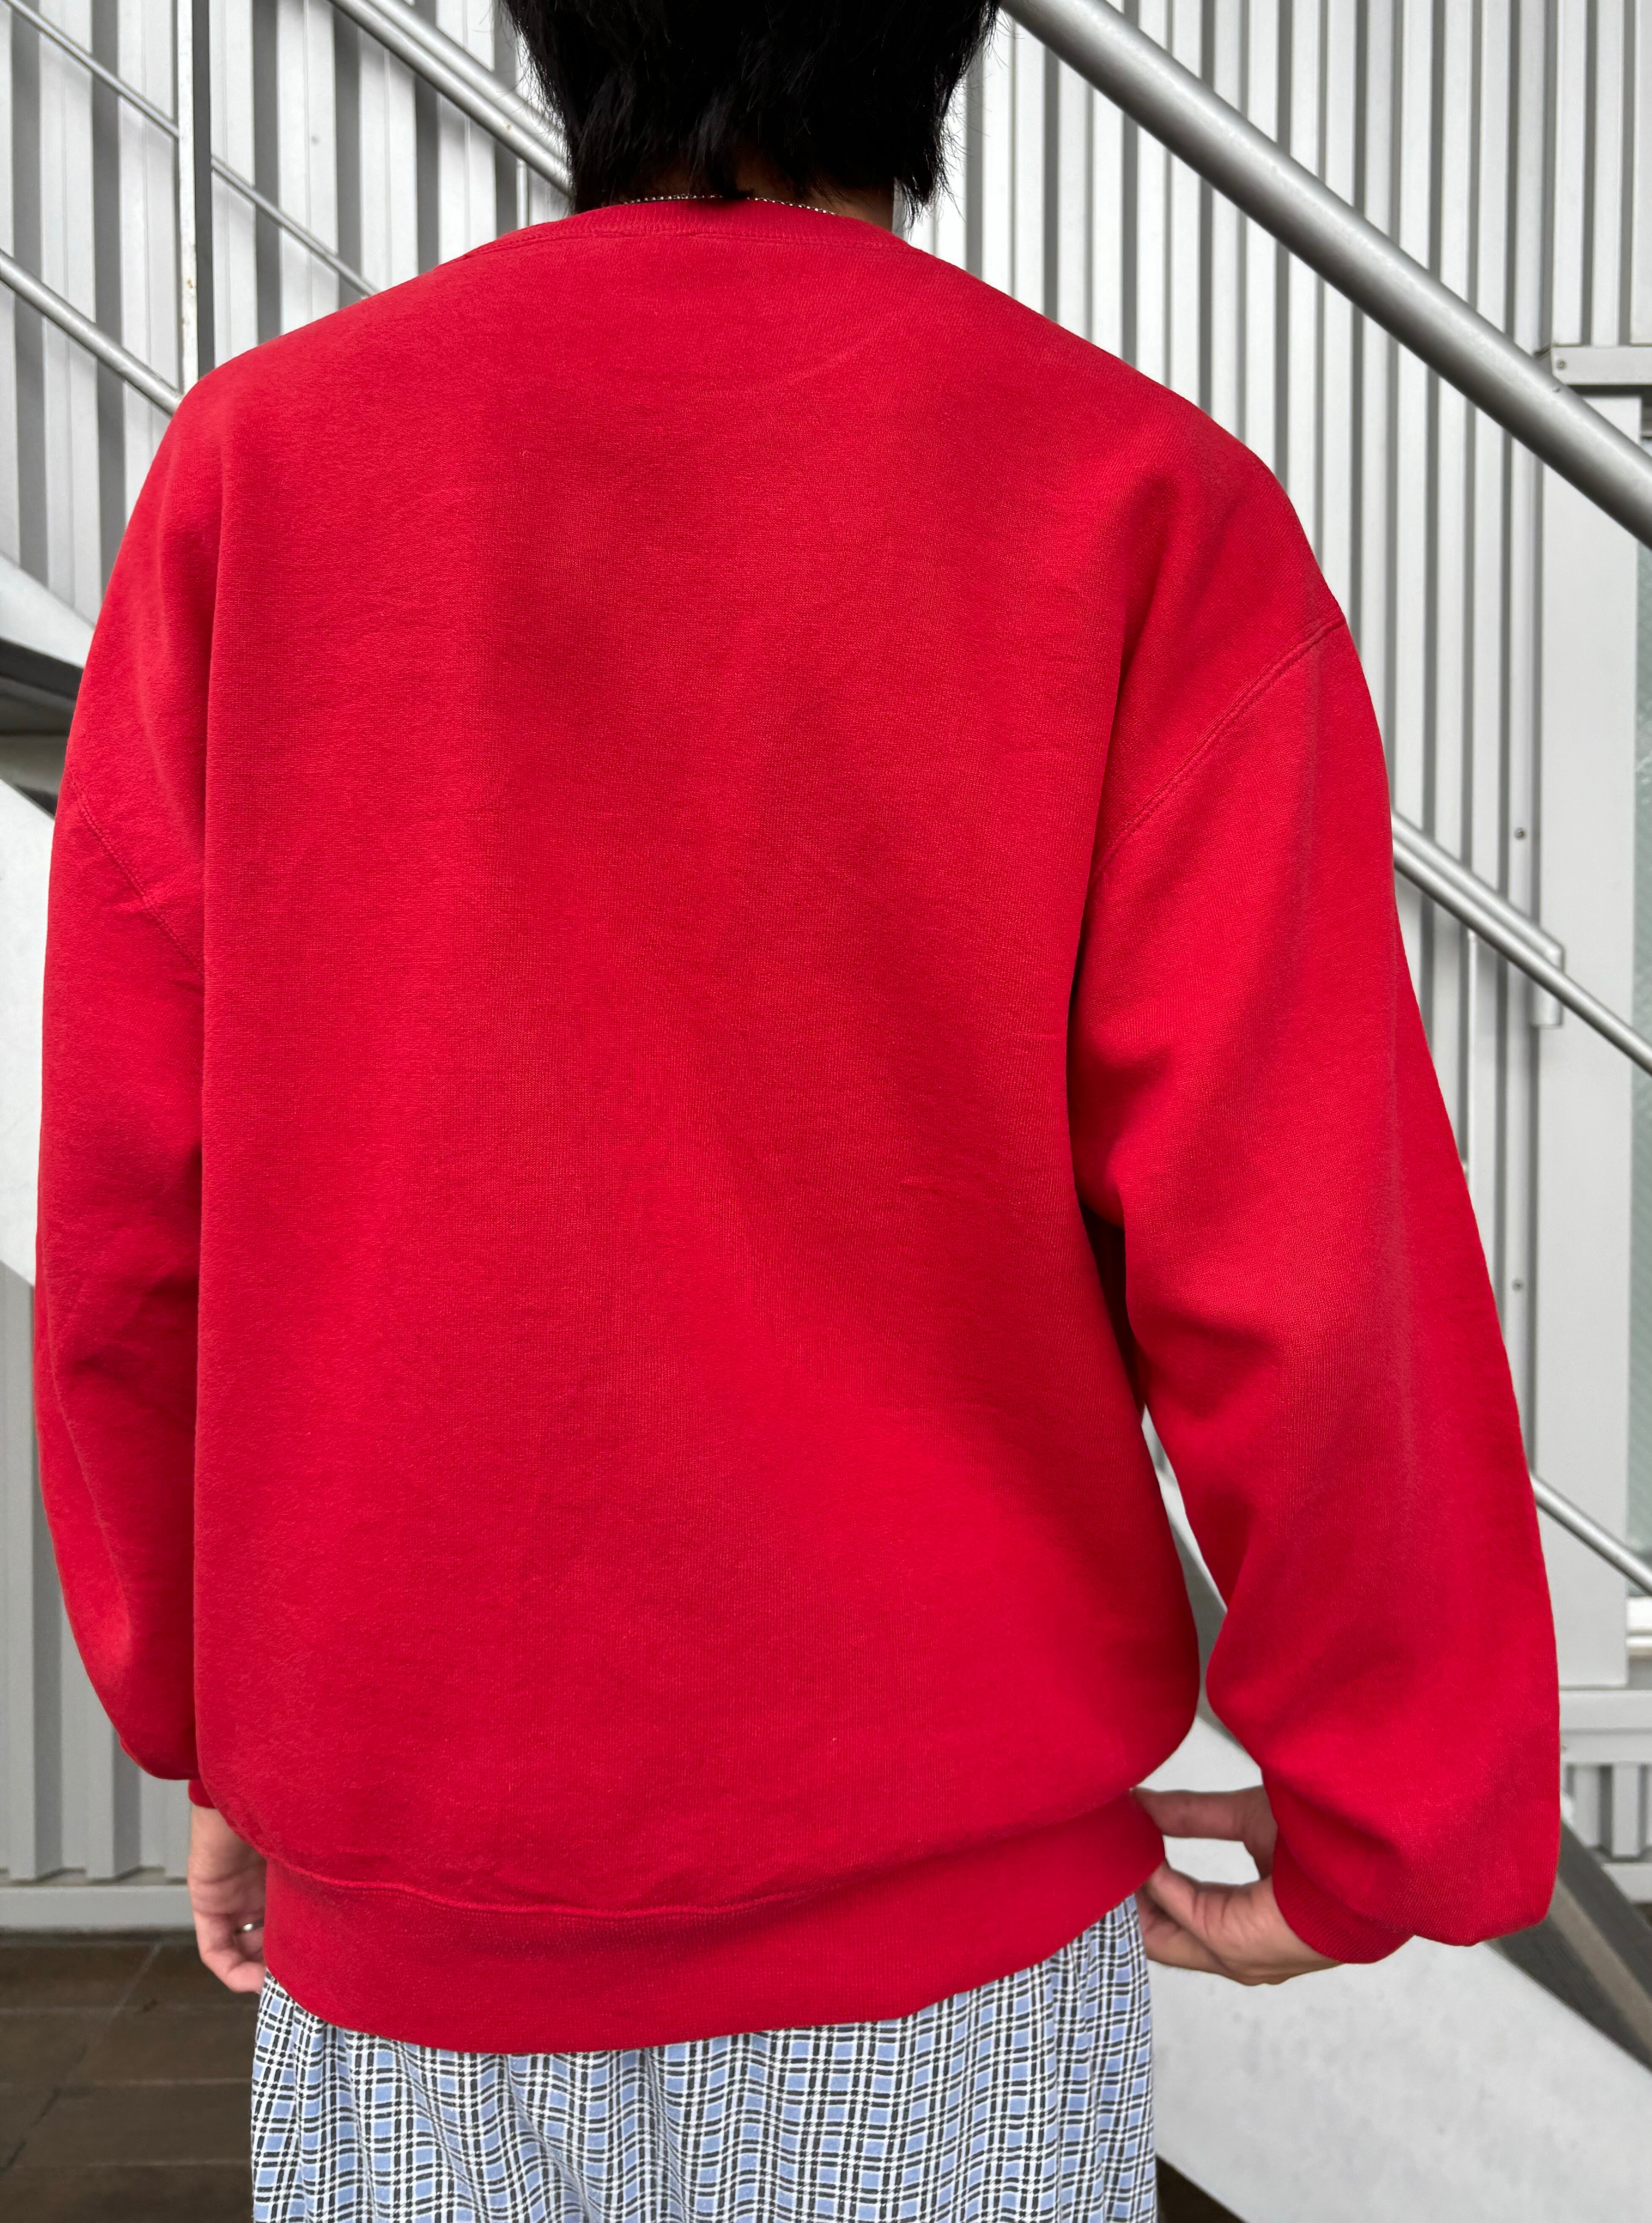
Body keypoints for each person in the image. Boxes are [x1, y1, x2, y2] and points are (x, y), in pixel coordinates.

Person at [33, 3, 1559, 2216]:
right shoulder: (1128, 496)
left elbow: (130, 1223)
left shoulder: (264, 473)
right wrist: (1388, 1817)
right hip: (943, 1960)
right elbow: (1305, 1252)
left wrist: (209, 1714)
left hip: (420, 1922)